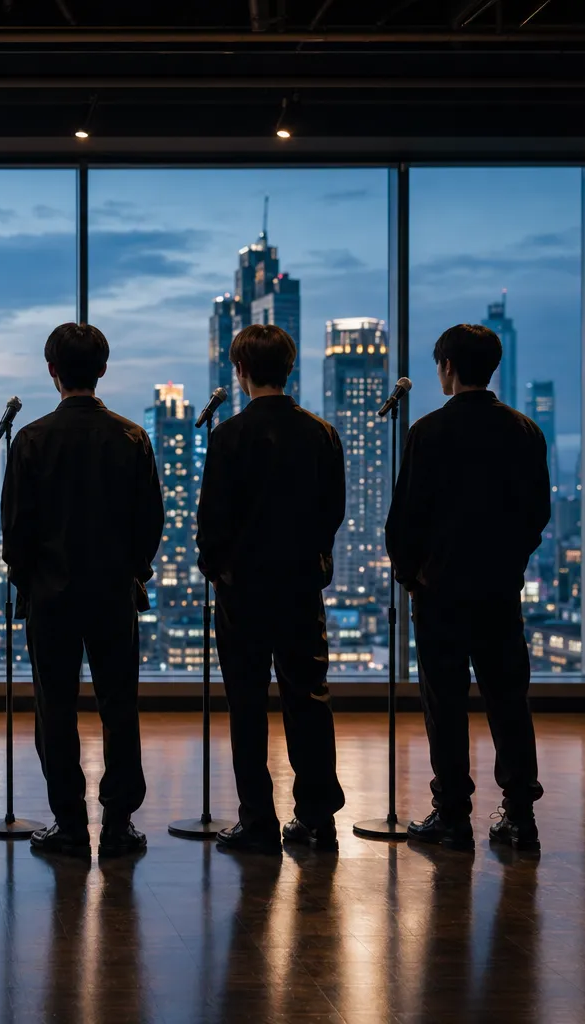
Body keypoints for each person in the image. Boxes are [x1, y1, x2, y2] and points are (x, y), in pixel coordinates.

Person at [1, 322, 164, 859]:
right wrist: (131, 570)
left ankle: (69, 824)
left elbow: (16, 530)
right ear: (103, 369)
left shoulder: (31, 439)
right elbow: (150, 523)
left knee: (56, 710)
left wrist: (31, 578)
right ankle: (118, 824)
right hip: (114, 594)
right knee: (120, 707)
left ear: (52, 371)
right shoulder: (131, 438)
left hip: (51, 597)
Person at [387, 323, 549, 853]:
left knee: (445, 703)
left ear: (448, 367)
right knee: (508, 698)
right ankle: (520, 815)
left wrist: (412, 575)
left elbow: (406, 519)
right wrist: (511, 564)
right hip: (500, 591)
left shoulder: (429, 432)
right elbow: (536, 514)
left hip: (440, 593)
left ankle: (452, 813)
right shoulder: (524, 431)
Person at [195, 323, 348, 854]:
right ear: (291, 368)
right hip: (302, 586)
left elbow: (212, 522)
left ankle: (257, 819)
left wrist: (218, 566)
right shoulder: (322, 434)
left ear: (240, 372)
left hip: (243, 591)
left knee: (247, 705)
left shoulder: (228, 436)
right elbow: (334, 512)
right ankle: (317, 819)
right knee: (308, 699)